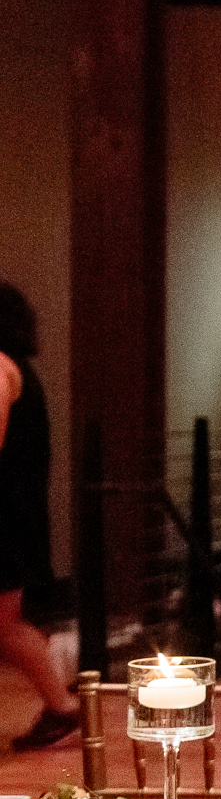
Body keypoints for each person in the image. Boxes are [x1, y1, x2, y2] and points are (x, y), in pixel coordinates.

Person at [0, 283, 77, 750]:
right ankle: (60, 706)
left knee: (4, 623)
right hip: (13, 512)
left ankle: (62, 706)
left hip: (3, 516)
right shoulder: (17, 366)